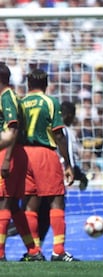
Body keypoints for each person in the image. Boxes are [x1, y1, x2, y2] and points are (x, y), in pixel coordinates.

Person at [20, 68, 79, 262]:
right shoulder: (51, 102)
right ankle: (58, 250)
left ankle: (34, 251)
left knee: (30, 203)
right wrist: (68, 165)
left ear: (28, 85)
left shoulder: (20, 103)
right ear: (46, 85)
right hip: (45, 153)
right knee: (56, 200)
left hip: (24, 154)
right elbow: (59, 134)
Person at [0, 63, 42, 261]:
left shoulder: (7, 97)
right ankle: (33, 251)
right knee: (14, 206)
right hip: (15, 153)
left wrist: (7, 159)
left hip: (10, 153)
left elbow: (13, 128)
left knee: (3, 203)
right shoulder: (12, 96)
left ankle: (0, 253)